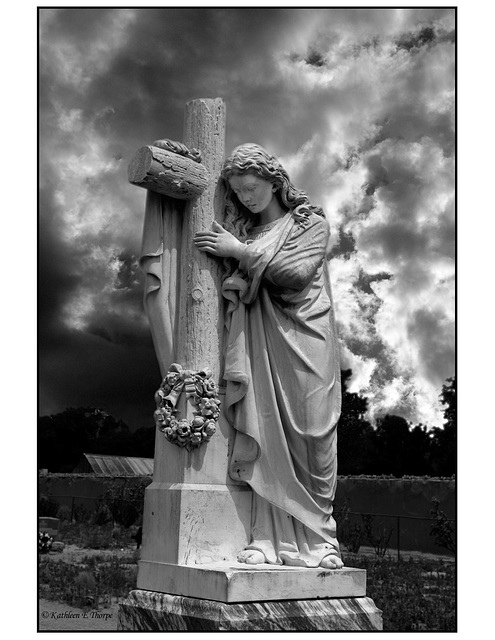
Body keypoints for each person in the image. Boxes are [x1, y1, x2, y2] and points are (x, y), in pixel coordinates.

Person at [194, 143, 343, 569]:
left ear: (275, 182)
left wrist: (239, 253)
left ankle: (321, 537)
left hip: (307, 338)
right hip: (262, 344)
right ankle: (266, 538)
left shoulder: (309, 224)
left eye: (253, 187)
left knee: (314, 432)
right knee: (266, 431)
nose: (246, 197)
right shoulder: (245, 235)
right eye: (239, 192)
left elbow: (293, 275)